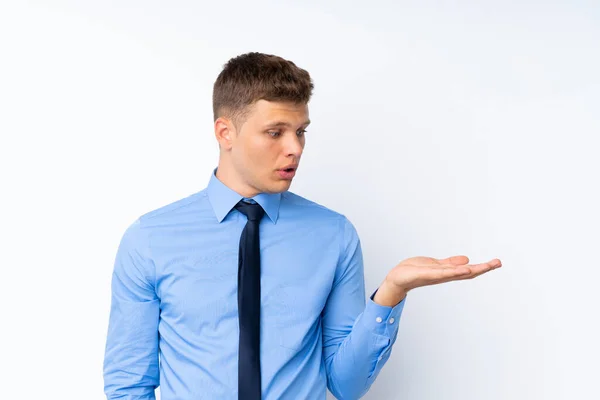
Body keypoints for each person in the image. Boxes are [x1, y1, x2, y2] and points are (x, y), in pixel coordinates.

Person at [103, 52, 502, 400]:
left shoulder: (333, 235)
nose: (294, 147)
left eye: (300, 131)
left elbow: (345, 385)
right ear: (225, 132)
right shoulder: (151, 239)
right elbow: (128, 385)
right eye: (275, 132)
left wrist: (390, 294)